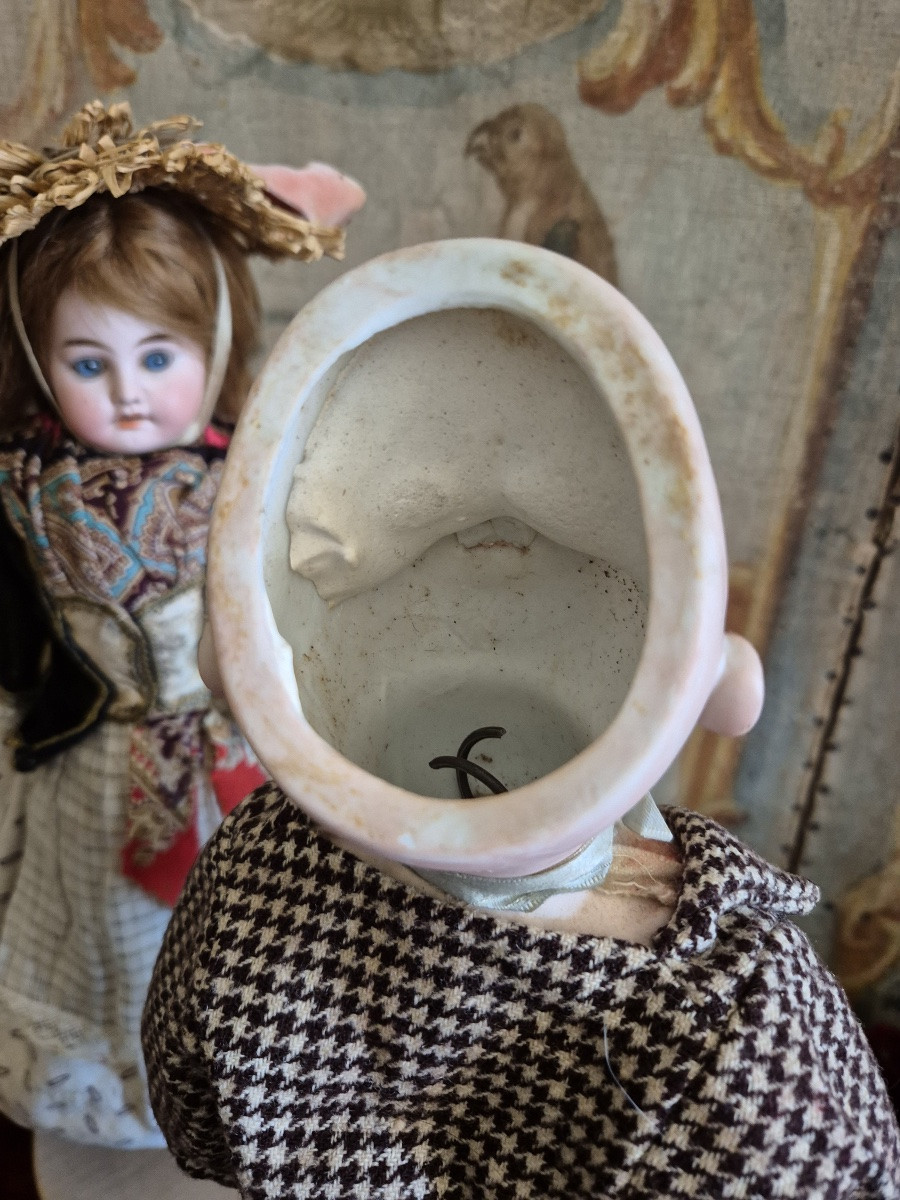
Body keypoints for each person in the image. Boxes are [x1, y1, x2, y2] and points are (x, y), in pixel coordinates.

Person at [0, 99, 362, 1147]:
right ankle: (120, 1096)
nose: (127, 394)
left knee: (243, 931)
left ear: (216, 338)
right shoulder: (26, 481)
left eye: (159, 357)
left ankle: (231, 1093)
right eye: (89, 363)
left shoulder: (255, 465)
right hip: (93, 757)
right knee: (102, 939)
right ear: (39, 357)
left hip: (233, 747)